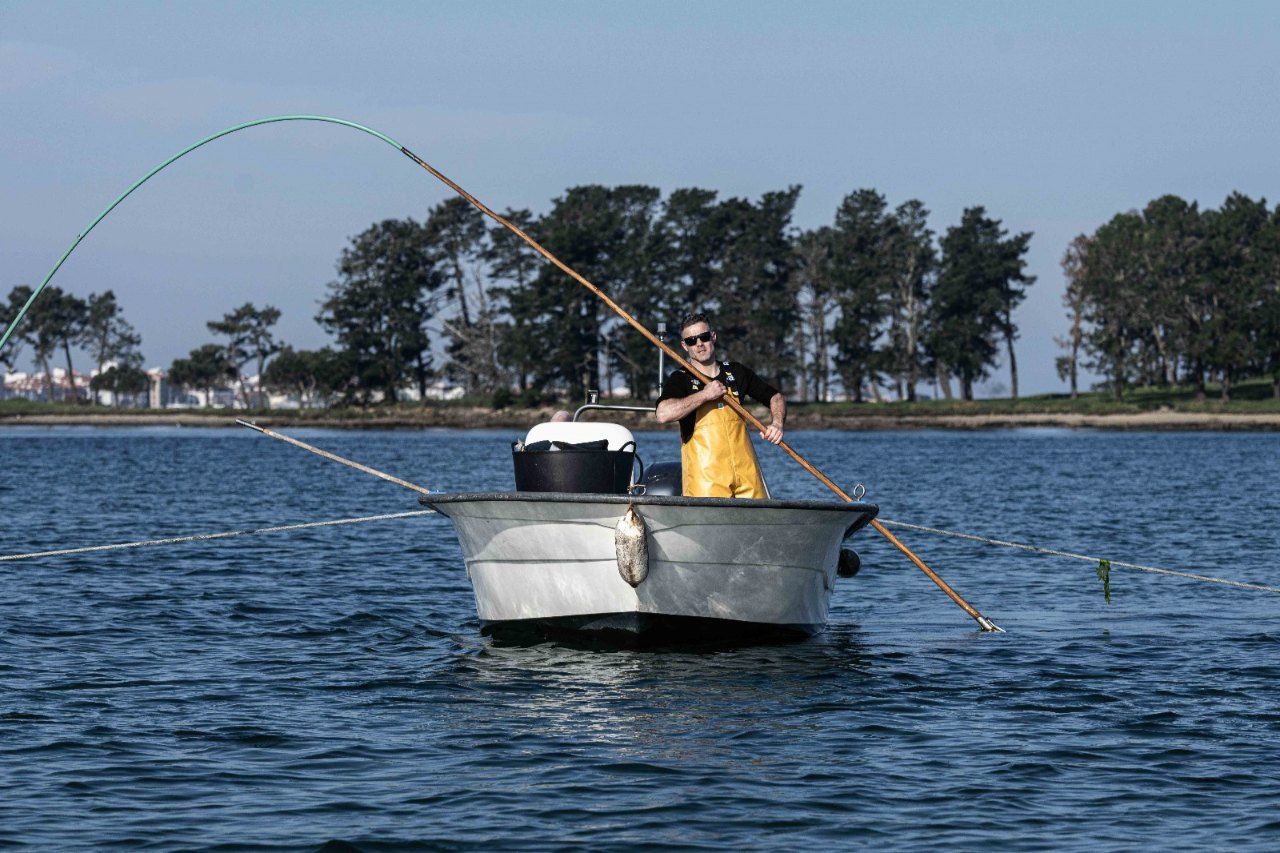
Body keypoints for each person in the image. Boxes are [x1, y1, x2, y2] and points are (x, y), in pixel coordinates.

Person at [655, 312, 785, 499]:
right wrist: (705, 395)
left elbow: (775, 397)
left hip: (747, 477)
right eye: (691, 340)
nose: (699, 344)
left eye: (704, 337)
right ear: (684, 346)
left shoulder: (736, 372)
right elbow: (663, 414)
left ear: (713, 337)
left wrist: (777, 424)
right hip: (706, 481)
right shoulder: (680, 378)